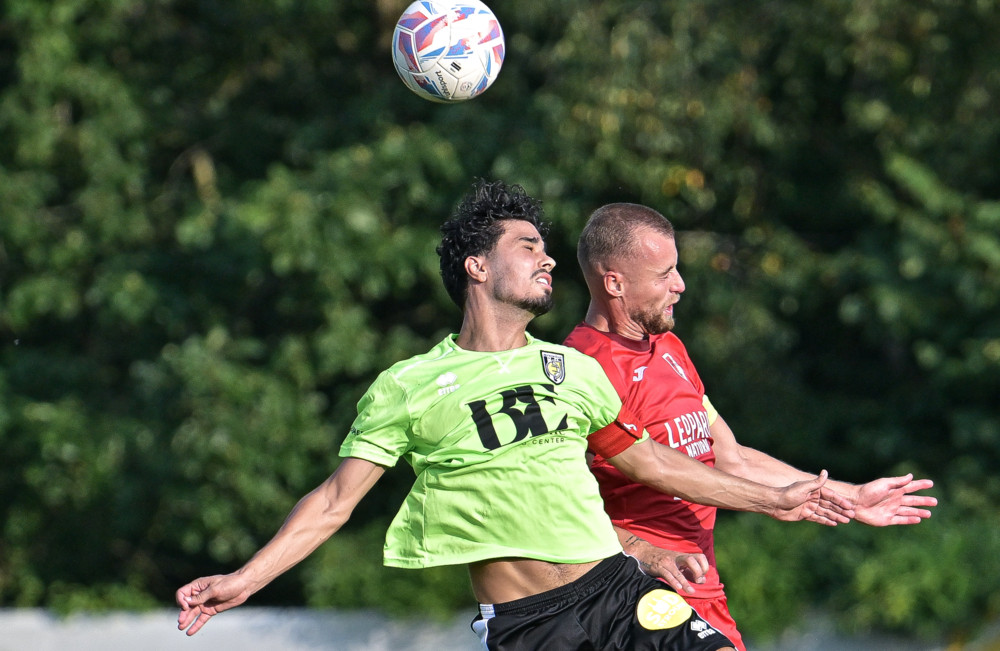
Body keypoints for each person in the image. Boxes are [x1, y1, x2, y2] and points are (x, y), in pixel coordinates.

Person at [176, 180, 853, 651]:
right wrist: (245, 578)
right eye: (527, 246)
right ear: (477, 266)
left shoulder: (571, 369)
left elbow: (651, 463)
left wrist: (777, 496)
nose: (547, 257)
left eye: (545, 247)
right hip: (531, 628)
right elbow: (331, 502)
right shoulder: (409, 386)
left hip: (619, 597)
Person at [564, 202, 939, 651]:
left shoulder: (669, 347)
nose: (681, 285)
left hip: (702, 590)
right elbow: (569, 498)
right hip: (639, 592)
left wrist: (849, 496)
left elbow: (732, 458)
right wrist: (643, 549)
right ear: (615, 283)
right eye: (664, 275)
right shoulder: (581, 369)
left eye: (677, 269)